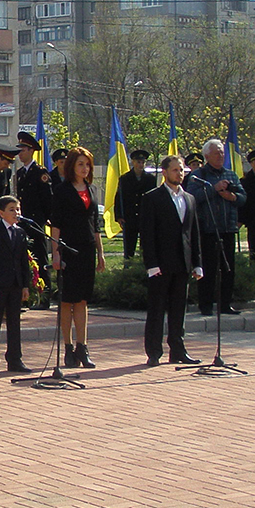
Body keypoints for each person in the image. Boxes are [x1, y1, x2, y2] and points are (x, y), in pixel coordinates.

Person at [139, 153, 203, 365]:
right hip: (161, 263)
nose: (180, 173)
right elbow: (147, 234)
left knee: (178, 310)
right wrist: (151, 264)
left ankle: (178, 350)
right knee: (157, 310)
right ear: (165, 172)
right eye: (175, 170)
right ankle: (153, 352)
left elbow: (193, 233)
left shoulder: (189, 198)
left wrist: (197, 263)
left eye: (182, 169)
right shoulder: (152, 198)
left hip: (182, 263)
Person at [49, 147, 106, 367]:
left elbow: (96, 225)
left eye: (88, 164)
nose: (85, 168)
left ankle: (83, 347)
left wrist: (100, 253)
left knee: (82, 300)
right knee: (67, 301)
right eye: (80, 164)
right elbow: (56, 225)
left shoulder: (91, 190)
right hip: (68, 249)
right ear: (72, 166)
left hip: (87, 249)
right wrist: (55, 253)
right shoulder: (61, 191)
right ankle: (68, 348)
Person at [185, 139, 246, 317]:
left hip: (228, 228)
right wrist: (214, 189)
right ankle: (206, 305)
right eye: (216, 153)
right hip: (207, 229)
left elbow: (243, 197)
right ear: (207, 156)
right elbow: (192, 197)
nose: (220, 156)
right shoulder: (198, 176)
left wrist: (233, 197)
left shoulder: (231, 174)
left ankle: (225, 304)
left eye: (222, 152)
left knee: (228, 269)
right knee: (208, 269)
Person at [0, 195, 31, 375]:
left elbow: (23, 261)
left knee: (14, 323)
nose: (16, 213)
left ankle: (15, 359)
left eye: (18, 209)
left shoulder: (20, 232)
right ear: (1, 213)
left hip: (15, 284)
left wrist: (25, 285)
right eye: (11, 210)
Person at [14, 131, 56, 308]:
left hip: (36, 222)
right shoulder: (20, 173)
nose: (20, 153)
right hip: (23, 222)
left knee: (40, 258)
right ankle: (28, 296)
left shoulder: (40, 172)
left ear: (31, 151)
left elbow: (47, 199)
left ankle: (45, 297)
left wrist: (45, 219)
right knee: (25, 259)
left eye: (23, 150)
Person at [113, 149, 154, 261]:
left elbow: (153, 199)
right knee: (129, 246)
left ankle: (144, 265)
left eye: (143, 162)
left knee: (146, 245)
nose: (140, 165)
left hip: (145, 216)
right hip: (129, 216)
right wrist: (119, 216)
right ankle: (128, 265)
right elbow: (119, 198)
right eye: (138, 162)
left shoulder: (150, 179)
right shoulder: (125, 179)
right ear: (133, 162)